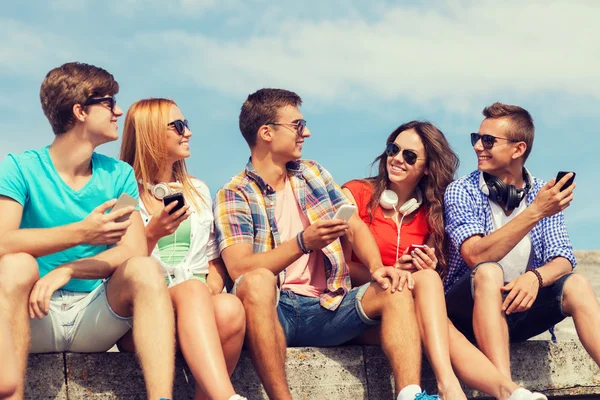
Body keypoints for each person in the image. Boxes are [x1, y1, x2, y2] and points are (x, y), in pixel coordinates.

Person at [213, 88, 458, 400]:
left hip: (329, 304)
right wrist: (303, 243)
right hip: (276, 311)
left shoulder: (313, 173)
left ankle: (410, 395)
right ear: (266, 133)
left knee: (395, 285)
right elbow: (239, 268)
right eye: (298, 126)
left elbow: (353, 225)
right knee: (257, 280)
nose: (307, 133)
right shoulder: (234, 194)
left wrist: (377, 268)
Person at [0, 62, 175, 400]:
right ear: (80, 111)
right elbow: (2, 240)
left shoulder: (119, 175)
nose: (119, 111)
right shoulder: (18, 168)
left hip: (94, 315)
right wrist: (82, 233)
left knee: (145, 268)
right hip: (33, 315)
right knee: (14, 264)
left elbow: (134, 250)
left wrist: (68, 269)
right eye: (109, 103)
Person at [343, 121, 548, 400]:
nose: (397, 159)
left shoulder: (432, 213)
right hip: (361, 308)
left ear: (426, 168)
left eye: (410, 156)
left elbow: (439, 280)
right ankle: (457, 387)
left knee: (428, 286)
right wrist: (389, 272)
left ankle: (506, 392)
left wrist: (427, 269)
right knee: (431, 310)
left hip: (407, 311)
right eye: (393, 149)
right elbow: (336, 268)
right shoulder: (356, 194)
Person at [444, 102, 600, 381]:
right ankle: (507, 390)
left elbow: (563, 257)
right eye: (476, 138)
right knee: (489, 272)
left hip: (516, 308)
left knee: (578, 283)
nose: (478, 146)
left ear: (518, 149)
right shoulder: (461, 190)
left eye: (488, 140)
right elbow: (476, 256)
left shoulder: (542, 192)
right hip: (465, 314)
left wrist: (536, 278)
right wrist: (536, 211)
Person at [119, 98, 247, 400]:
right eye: (178, 126)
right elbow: (120, 262)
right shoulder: (123, 194)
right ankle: (227, 397)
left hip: (195, 307)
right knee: (191, 290)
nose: (187, 132)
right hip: (143, 314)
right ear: (151, 133)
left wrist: (211, 290)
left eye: (186, 124)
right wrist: (151, 234)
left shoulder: (198, 190)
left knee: (229, 308)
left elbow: (214, 259)